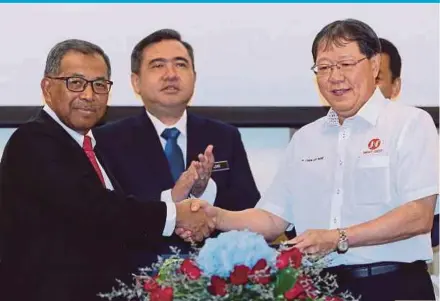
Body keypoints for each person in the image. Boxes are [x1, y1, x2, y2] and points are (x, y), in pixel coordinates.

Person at [181, 19, 439, 301]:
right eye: (324, 68)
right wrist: (216, 216)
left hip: (393, 285)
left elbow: (418, 215)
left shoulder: (410, 124)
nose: (335, 77)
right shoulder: (306, 138)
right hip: (319, 289)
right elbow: (272, 218)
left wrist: (338, 237)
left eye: (346, 64)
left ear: (374, 64)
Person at [0, 39, 213, 301]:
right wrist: (174, 214)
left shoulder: (89, 146)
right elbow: (93, 210)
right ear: (47, 88)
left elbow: (111, 217)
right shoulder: (33, 141)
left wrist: (173, 198)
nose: (89, 95)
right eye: (75, 83)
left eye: (99, 85)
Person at [93, 29, 261, 267]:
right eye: (157, 65)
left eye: (180, 65)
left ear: (194, 76)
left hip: (214, 278)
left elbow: (249, 210)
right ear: (136, 82)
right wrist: (173, 201)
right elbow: (108, 219)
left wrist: (203, 192)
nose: (171, 75)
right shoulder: (106, 141)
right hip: (135, 277)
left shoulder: (224, 136)